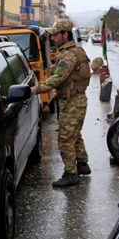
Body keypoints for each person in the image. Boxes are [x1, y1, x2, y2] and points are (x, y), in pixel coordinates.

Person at [32, 19, 92, 187]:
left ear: (65, 35)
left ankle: (71, 174)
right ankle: (82, 164)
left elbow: (57, 79)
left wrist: (35, 89)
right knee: (74, 134)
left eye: (55, 35)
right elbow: (59, 71)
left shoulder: (69, 54)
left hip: (72, 102)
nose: (52, 38)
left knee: (65, 139)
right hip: (76, 100)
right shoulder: (73, 51)